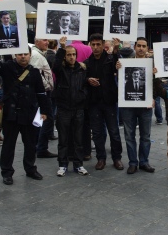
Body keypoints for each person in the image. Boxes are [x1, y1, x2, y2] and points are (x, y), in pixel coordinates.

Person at [0, 37, 50, 185]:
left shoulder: (34, 72)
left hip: (30, 114)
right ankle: (7, 172)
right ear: (15, 55)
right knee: (9, 144)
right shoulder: (7, 67)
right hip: (11, 115)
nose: (23, 56)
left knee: (30, 144)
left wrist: (44, 111)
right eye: (20, 54)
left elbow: (41, 93)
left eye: (25, 54)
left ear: (29, 55)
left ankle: (30, 169)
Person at [85, 33, 123, 171]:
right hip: (94, 102)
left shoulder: (110, 59)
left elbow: (119, 67)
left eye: (98, 44)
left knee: (114, 131)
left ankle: (117, 158)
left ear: (102, 45)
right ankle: (101, 158)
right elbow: (82, 78)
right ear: (90, 45)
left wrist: (117, 50)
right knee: (97, 133)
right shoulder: (87, 62)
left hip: (109, 101)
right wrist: (87, 80)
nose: (95, 47)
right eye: (93, 44)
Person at [117, 37, 156, 174]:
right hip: (128, 106)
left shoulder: (153, 64)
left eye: (143, 46)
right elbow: (120, 82)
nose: (141, 48)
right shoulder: (125, 63)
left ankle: (144, 162)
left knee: (145, 136)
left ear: (147, 48)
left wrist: (153, 98)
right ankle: (133, 162)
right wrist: (117, 69)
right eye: (138, 45)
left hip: (146, 106)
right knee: (129, 136)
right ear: (135, 47)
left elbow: (158, 84)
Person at [52, 37, 89, 176]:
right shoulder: (61, 69)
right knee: (63, 139)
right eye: (69, 54)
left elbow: (85, 85)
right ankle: (62, 164)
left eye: (73, 54)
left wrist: (82, 95)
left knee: (78, 139)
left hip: (78, 108)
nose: (71, 57)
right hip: (64, 108)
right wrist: (61, 48)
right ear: (65, 56)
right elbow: (55, 66)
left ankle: (78, 164)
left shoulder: (81, 69)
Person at [30, 38, 57, 158]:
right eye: (44, 40)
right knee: (47, 119)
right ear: (37, 42)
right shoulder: (36, 55)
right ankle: (41, 148)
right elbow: (35, 74)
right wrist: (45, 86)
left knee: (41, 120)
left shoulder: (38, 53)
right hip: (42, 93)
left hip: (42, 92)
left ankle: (38, 146)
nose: (47, 43)